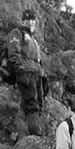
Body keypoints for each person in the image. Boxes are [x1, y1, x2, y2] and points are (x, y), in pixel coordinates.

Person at [6, 8, 47, 136]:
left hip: (37, 75)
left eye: (32, 20)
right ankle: (35, 137)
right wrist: (20, 70)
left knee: (39, 105)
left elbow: (38, 60)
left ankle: (25, 132)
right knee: (32, 105)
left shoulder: (34, 40)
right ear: (22, 21)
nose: (30, 22)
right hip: (25, 72)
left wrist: (44, 77)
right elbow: (14, 52)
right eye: (27, 19)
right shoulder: (17, 33)